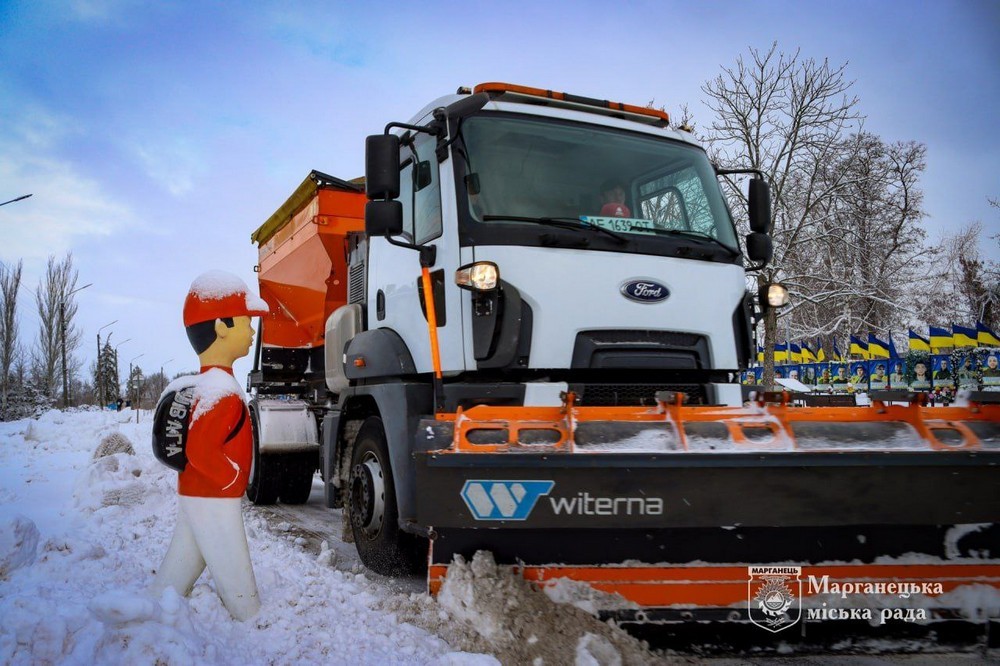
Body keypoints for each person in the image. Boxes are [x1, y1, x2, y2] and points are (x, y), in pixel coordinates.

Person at [150, 270, 269, 622]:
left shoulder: (208, 386)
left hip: (197, 492)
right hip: (214, 496)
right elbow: (200, 450)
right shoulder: (222, 393)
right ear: (220, 328)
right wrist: (233, 479)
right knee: (232, 563)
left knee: (183, 559)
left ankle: (158, 603)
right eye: (246, 323)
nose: (251, 331)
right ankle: (251, 617)